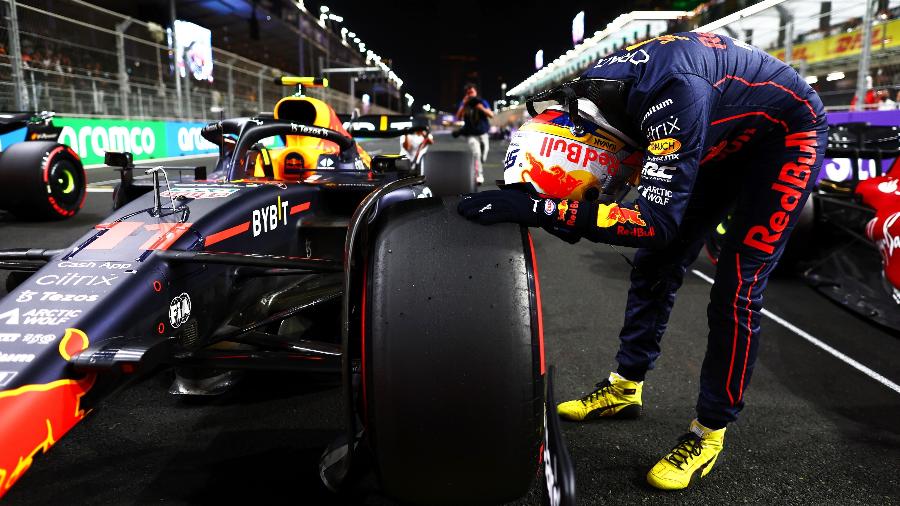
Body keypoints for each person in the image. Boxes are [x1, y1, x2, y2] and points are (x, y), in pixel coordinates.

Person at [458, 32, 827, 490]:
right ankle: (624, 387)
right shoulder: (591, 88)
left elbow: (656, 223)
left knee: (737, 289)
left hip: (785, 137)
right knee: (656, 266)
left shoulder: (673, 100)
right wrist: (548, 202)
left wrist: (544, 209)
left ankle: (708, 432)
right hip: (717, 123)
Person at [455, 84, 494, 184]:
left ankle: (481, 161)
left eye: (472, 92)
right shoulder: (465, 104)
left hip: (483, 133)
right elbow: (458, 117)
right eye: (468, 93)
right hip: (471, 134)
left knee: (484, 155)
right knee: (476, 153)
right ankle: (479, 175)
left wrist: (481, 108)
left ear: (476, 92)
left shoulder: (482, 102)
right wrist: (464, 104)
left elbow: (491, 115)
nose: (470, 95)